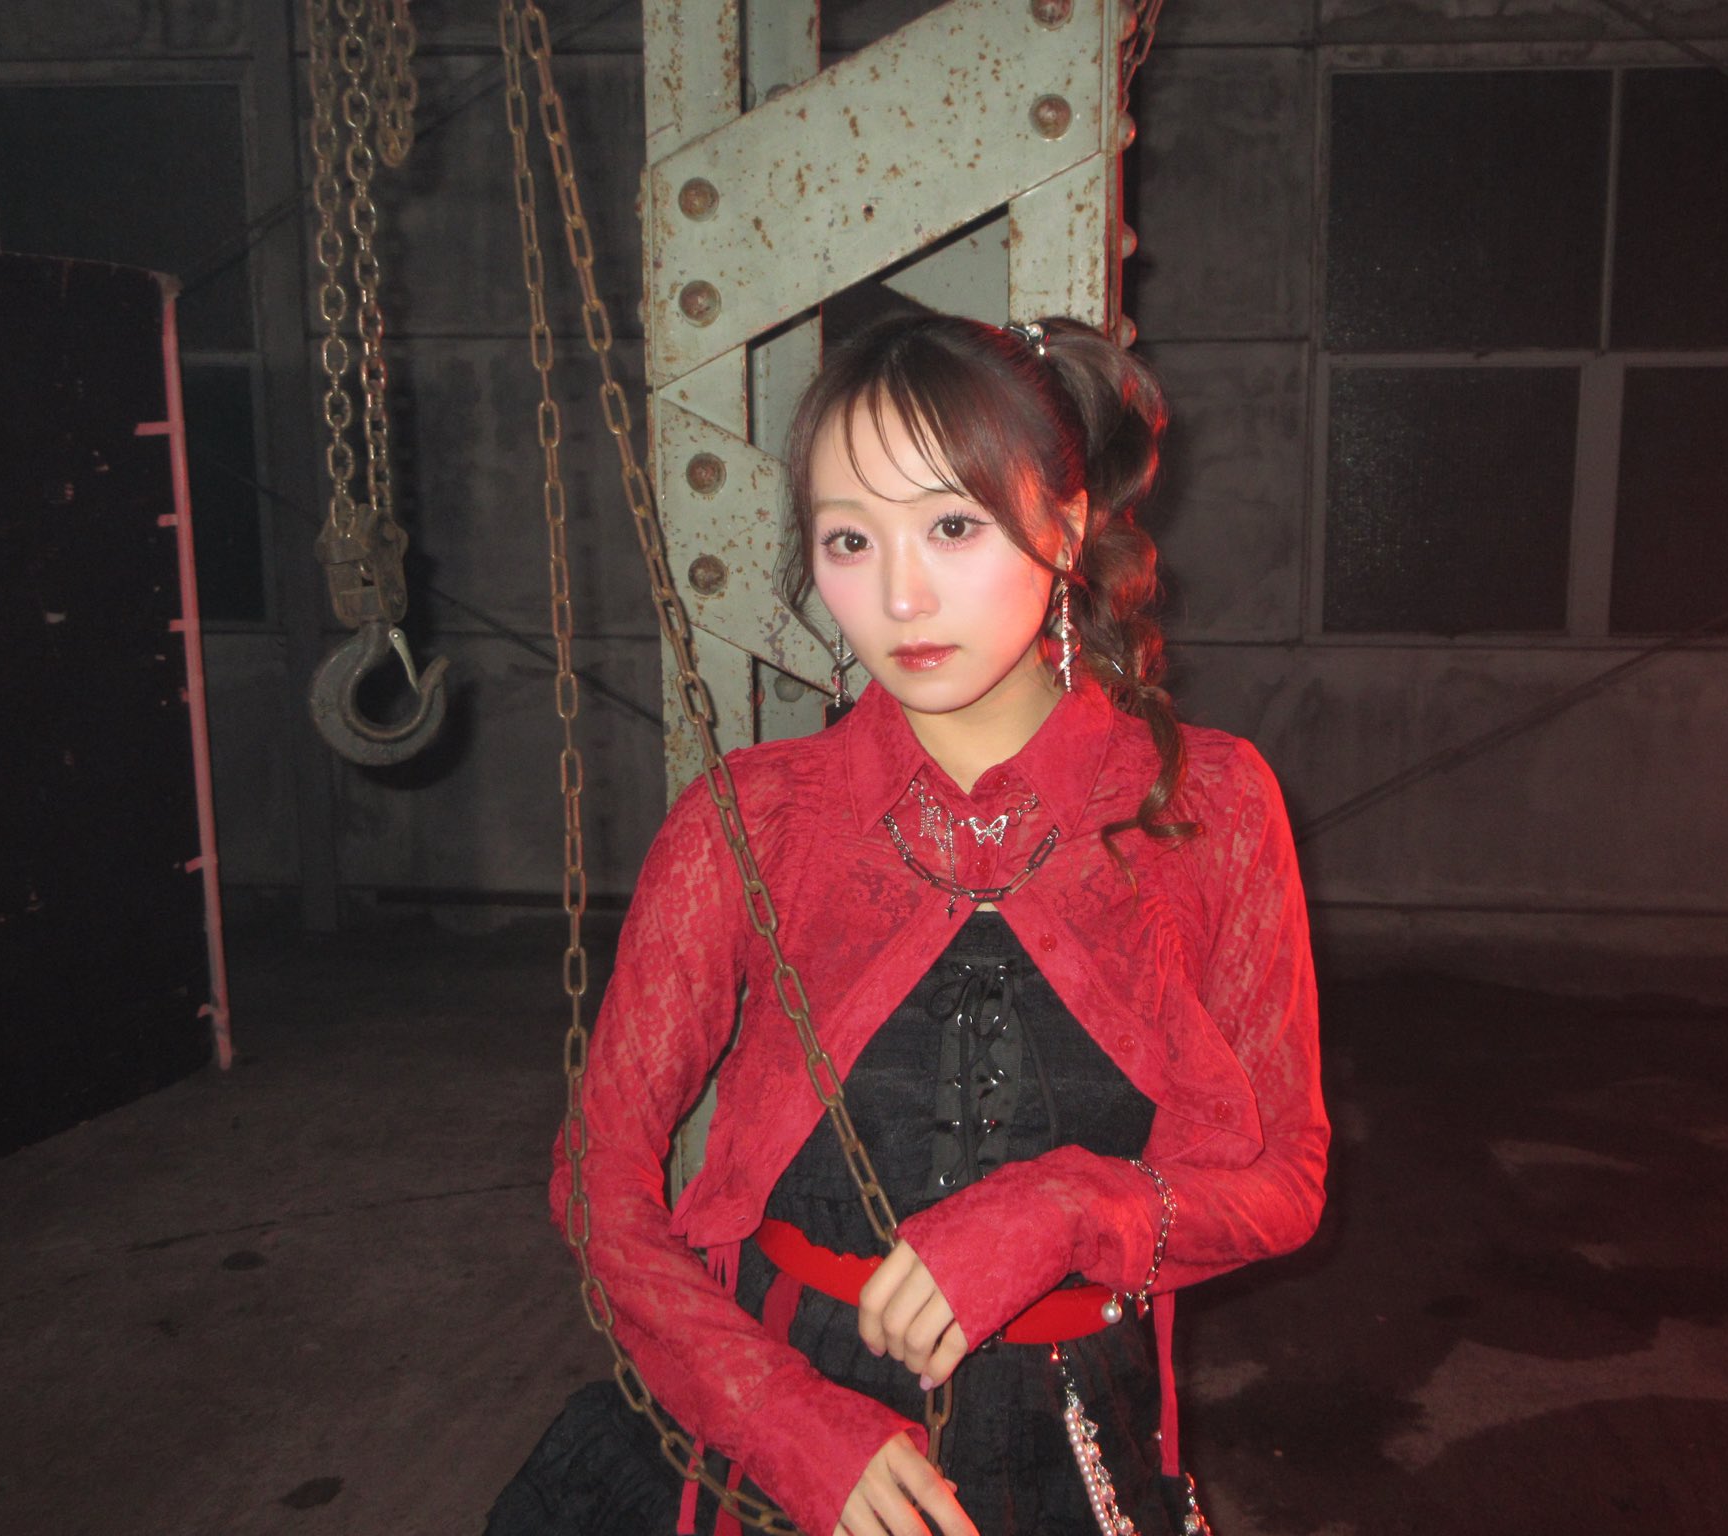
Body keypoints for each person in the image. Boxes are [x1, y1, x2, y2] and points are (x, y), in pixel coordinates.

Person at [485, 313, 1328, 1536]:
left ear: (1065, 527)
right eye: (848, 539)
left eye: (951, 526)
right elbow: (598, 1178)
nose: (896, 595)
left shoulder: (1208, 806)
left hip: (1070, 1443)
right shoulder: (750, 822)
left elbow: (1284, 1179)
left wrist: (1063, 1213)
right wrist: (786, 1424)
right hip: (776, 1433)